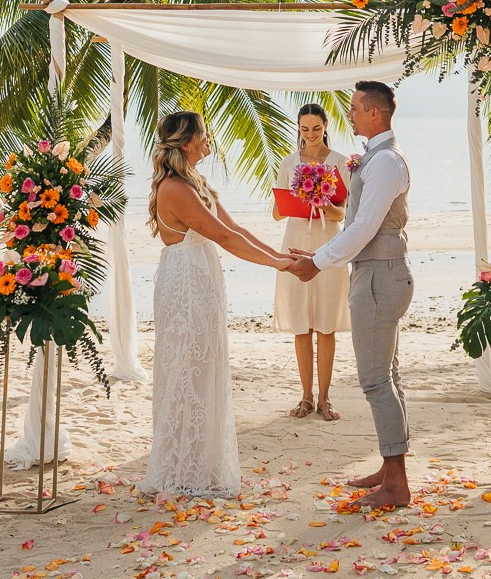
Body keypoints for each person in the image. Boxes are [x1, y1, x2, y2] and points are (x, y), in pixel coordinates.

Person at [142, 110, 292, 499]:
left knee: (204, 368)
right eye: (204, 134)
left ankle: (201, 464)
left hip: (201, 282)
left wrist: (281, 257)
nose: (209, 139)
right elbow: (224, 238)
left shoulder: (196, 183)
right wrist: (276, 265)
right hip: (185, 286)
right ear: (189, 142)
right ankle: (179, 467)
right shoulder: (175, 188)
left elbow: (235, 230)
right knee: (186, 369)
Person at [286, 80, 413, 510]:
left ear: (375, 113)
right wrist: (317, 254)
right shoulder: (377, 158)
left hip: (379, 277)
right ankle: (391, 469)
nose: (350, 114)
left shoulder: (385, 162)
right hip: (375, 273)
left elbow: (362, 228)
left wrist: (319, 262)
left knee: (376, 380)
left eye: (355, 108)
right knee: (387, 376)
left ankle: (396, 482)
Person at [272, 102, 351, 421]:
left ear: (326, 126)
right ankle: (305, 397)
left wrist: (322, 200)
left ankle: (325, 398)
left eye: (316, 128)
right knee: (301, 325)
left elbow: (342, 214)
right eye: (304, 129)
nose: (311, 134)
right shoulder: (288, 162)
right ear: (298, 128)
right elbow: (277, 213)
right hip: (295, 244)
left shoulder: (340, 163)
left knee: (326, 325)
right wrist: (298, 198)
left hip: (329, 246)